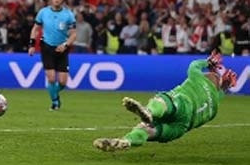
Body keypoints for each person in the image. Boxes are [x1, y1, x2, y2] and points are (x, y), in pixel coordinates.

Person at [93, 50, 237, 152]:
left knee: (163, 101)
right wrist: (225, 86)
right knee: (149, 131)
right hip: (181, 128)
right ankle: (127, 141)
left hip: (184, 104)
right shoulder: (214, 109)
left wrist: (208, 61)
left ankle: (149, 112)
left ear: (207, 76)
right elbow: (219, 94)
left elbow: (194, 65)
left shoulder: (197, 77)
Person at [28, 0, 76, 111]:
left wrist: (65, 45)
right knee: (50, 78)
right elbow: (35, 29)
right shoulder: (43, 12)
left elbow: (73, 34)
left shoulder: (68, 15)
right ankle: (55, 102)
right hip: (47, 47)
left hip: (62, 49)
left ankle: (54, 93)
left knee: (63, 82)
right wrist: (32, 45)